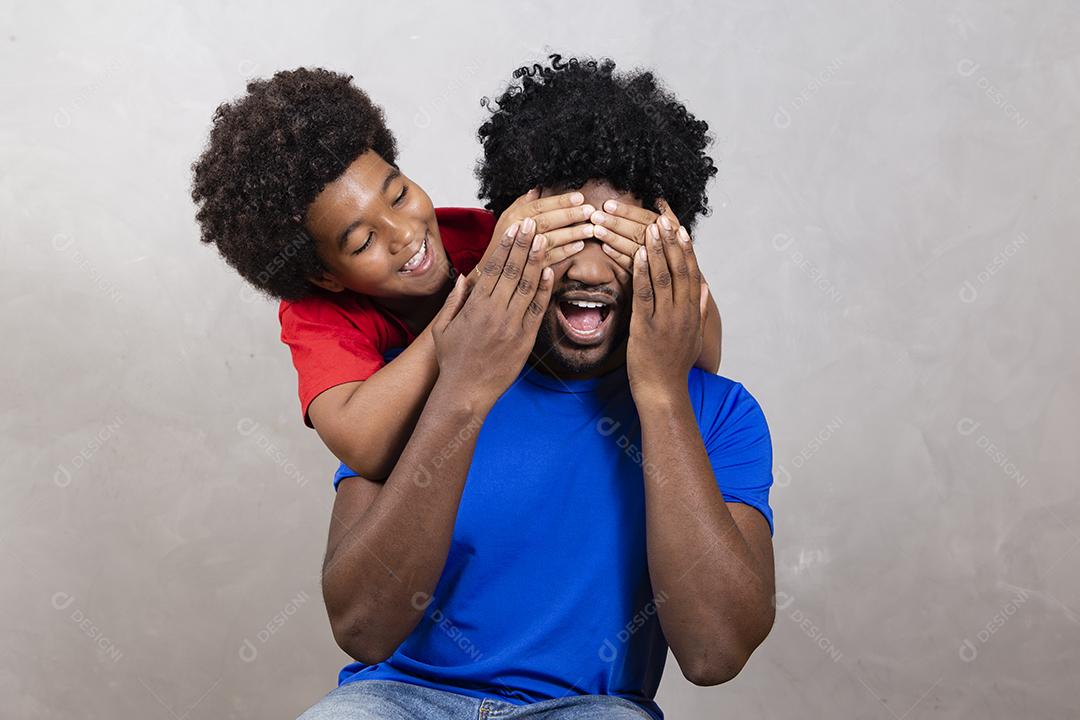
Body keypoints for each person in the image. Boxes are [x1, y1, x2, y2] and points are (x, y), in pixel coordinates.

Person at [299, 55, 775, 720]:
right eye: (565, 235)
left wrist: (663, 396)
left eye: (613, 238)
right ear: (510, 240)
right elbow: (362, 628)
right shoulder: (411, 385)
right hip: (398, 702)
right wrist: (464, 387)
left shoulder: (719, 415)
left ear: (667, 256)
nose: (585, 267)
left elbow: (713, 655)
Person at [190, 67, 723, 483]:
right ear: (326, 277)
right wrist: (482, 288)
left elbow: (704, 356)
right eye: (361, 241)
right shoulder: (319, 315)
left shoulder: (477, 231)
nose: (404, 233)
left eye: (398, 194)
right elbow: (365, 445)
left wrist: (669, 259)